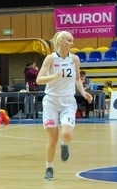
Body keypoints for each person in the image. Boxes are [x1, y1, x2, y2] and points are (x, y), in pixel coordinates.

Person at [35, 32, 93, 180]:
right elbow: (39, 80)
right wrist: (53, 76)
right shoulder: (50, 59)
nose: (72, 43)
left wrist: (83, 92)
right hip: (51, 102)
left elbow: (78, 79)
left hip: (68, 101)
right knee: (52, 138)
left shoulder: (74, 59)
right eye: (69, 40)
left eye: (72, 41)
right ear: (61, 42)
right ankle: (49, 167)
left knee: (66, 134)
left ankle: (65, 144)